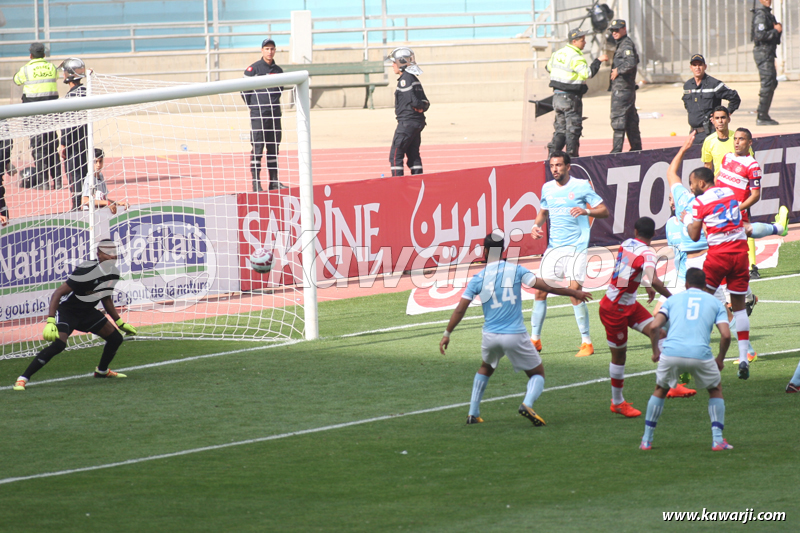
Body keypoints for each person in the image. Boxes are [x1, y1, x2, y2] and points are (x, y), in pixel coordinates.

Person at [439, 231, 592, 425]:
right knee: (537, 374)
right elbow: (547, 286)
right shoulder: (516, 270)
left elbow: (460, 309)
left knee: (486, 367)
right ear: (503, 250)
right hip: (514, 334)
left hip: (490, 336)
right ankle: (527, 404)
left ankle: (473, 413)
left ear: (484, 252)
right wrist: (572, 291)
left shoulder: (478, 278)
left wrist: (447, 334)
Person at [12, 239, 138, 391]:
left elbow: (105, 298)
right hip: (68, 311)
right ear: (98, 255)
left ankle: (102, 371)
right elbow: (58, 293)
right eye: (108, 253)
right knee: (59, 344)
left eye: (114, 253)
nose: (112, 256)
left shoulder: (113, 274)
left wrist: (120, 323)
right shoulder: (86, 270)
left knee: (116, 338)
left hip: (88, 313)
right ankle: (22, 378)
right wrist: (50, 320)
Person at [640, 268, 733, 451]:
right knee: (715, 390)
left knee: (660, 389)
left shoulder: (673, 300)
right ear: (705, 285)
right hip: (701, 354)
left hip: (672, 352)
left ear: (686, 284)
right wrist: (720, 359)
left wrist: (655, 352)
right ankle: (717, 440)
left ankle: (646, 440)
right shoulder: (714, 302)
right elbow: (726, 335)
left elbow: (654, 326)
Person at [530, 150, 609, 358]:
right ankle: (535, 340)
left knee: (575, 291)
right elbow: (543, 211)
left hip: (577, 247)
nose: (555, 169)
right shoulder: (547, 188)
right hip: (554, 248)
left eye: (558, 165)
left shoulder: (581, 186)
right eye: (552, 166)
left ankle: (586, 342)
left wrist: (587, 211)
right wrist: (536, 226)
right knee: (540, 291)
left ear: (568, 167)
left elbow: (604, 211)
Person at [686, 161, 753, 380]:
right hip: (740, 254)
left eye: (692, 184)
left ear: (702, 183)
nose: (690, 188)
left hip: (718, 256)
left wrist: (688, 221)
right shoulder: (730, 193)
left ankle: (696, 356)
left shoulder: (699, 202)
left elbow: (694, 236)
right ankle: (743, 358)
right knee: (740, 307)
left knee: (702, 302)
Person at [599, 216, 671, 418]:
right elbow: (654, 279)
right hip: (614, 308)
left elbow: (629, 271)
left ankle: (670, 385)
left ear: (635, 232)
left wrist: (645, 285)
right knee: (619, 356)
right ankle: (617, 402)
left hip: (628, 303)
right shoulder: (648, 254)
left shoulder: (626, 243)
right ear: (654, 234)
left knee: (660, 332)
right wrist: (672, 298)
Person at [546, 28, 608, 157]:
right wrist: (598, 61)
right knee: (573, 130)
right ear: (574, 41)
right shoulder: (576, 56)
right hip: (570, 98)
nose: (585, 43)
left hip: (557, 97)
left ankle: (551, 158)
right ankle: (572, 159)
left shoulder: (558, 53)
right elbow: (588, 74)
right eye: (582, 40)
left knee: (560, 130)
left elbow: (548, 68)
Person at [13, 42, 61, 191]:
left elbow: (16, 80)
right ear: (44, 55)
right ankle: (58, 181)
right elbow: (56, 76)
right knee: (52, 147)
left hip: (33, 114)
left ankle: (43, 182)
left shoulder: (26, 69)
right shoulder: (52, 67)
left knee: (38, 149)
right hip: (50, 114)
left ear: (31, 55)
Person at [242, 39, 286, 192]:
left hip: (274, 115)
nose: (269, 52)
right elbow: (244, 91)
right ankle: (256, 184)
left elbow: (280, 90)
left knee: (273, 148)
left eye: (272, 49)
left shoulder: (279, 71)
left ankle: (274, 182)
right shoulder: (253, 70)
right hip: (259, 115)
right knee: (258, 148)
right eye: (267, 49)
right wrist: (255, 107)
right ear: (262, 50)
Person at [388, 47, 430, 177]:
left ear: (401, 62)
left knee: (395, 154)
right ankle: (418, 180)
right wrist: (422, 107)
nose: (392, 65)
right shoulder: (413, 78)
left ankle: (397, 184)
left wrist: (418, 106)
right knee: (413, 154)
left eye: (394, 62)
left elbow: (413, 100)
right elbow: (426, 101)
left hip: (407, 123)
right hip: (417, 123)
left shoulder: (405, 80)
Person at [682, 54, 740, 145]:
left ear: (705, 66)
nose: (697, 67)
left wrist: (726, 114)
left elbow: (735, 98)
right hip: (694, 135)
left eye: (700, 65)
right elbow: (687, 105)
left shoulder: (714, 84)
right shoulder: (687, 85)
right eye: (694, 65)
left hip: (710, 133)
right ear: (691, 67)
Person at [57, 58, 89, 211]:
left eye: (64, 72)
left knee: (75, 175)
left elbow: (67, 125)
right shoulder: (86, 93)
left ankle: (77, 205)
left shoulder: (70, 98)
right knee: (85, 174)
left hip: (73, 144)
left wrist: (63, 143)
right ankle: (86, 202)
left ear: (69, 75)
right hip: (86, 141)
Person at [607, 20, 641, 154]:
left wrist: (618, 70)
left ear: (624, 29)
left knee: (618, 120)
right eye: (612, 30)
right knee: (630, 120)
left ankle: (616, 152)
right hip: (626, 89)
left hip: (622, 90)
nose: (614, 33)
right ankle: (637, 149)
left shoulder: (626, 44)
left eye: (617, 30)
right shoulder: (622, 44)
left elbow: (631, 62)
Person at [752, 0, 782, 126]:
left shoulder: (766, 13)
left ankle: (763, 112)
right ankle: (762, 116)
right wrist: (776, 31)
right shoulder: (761, 14)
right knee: (767, 83)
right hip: (763, 53)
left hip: (768, 53)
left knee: (771, 82)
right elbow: (759, 35)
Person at [701, 106, 752, 177]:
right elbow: (707, 165)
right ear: (712, 121)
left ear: (729, 119)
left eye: (723, 117)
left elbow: (750, 160)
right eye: (717, 118)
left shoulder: (738, 138)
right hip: (719, 183)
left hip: (739, 181)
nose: (720, 121)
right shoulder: (709, 141)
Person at [81, 149, 129, 214]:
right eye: (96, 162)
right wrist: (107, 203)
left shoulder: (100, 176)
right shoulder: (89, 179)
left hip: (100, 214)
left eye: (100, 161)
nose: (98, 165)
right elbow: (85, 200)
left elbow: (103, 199)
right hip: (90, 214)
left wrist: (118, 203)